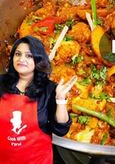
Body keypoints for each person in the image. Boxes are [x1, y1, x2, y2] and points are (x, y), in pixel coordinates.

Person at [0, 35, 77, 164]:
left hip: (37, 159)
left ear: (38, 59)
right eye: (18, 54)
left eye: (29, 56)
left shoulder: (49, 88)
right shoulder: (1, 83)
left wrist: (60, 99)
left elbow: (60, 129)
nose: (21, 59)